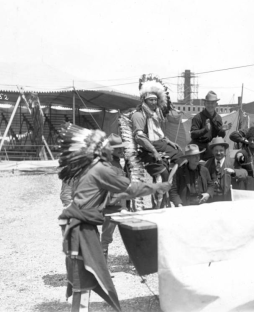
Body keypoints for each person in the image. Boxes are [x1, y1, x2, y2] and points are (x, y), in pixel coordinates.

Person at [57, 123, 171, 312]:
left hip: (75, 225)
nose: (113, 152)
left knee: (85, 273)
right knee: (85, 276)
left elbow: (116, 193)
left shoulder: (84, 167)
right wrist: (157, 187)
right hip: (82, 228)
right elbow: (130, 189)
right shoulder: (99, 169)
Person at [131, 79, 184, 182]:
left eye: (155, 100)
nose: (154, 102)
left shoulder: (155, 114)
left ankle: (173, 184)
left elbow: (159, 133)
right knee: (164, 170)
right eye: (151, 100)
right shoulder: (138, 115)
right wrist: (154, 151)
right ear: (144, 101)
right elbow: (139, 137)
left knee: (180, 156)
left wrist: (169, 141)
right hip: (147, 148)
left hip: (160, 144)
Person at [101, 133, 130, 260]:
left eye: (121, 147)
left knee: (130, 231)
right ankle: (102, 264)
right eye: (117, 148)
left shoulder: (117, 163)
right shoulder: (108, 165)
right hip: (112, 205)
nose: (120, 150)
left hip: (120, 204)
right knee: (107, 235)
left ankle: (134, 258)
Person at [190, 91, 232, 161]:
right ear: (204, 104)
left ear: (216, 104)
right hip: (198, 148)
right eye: (208, 103)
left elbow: (220, 137)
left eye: (212, 103)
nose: (210, 105)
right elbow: (193, 134)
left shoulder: (218, 118)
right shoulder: (197, 117)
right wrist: (205, 130)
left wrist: (222, 130)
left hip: (211, 149)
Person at [204, 137, 247, 202]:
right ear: (212, 151)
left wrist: (234, 172)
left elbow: (245, 173)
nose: (218, 153)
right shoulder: (208, 164)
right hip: (212, 200)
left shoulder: (232, 162)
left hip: (227, 199)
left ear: (225, 151)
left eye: (221, 150)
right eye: (216, 150)